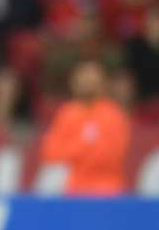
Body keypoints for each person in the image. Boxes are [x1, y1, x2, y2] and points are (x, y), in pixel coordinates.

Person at [40, 59, 130, 195]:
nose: (86, 81)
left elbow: (109, 156)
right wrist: (85, 145)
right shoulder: (66, 113)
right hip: (70, 189)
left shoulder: (113, 115)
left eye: (92, 77)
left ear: (103, 83)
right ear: (73, 81)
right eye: (82, 76)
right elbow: (50, 152)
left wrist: (73, 151)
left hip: (106, 191)